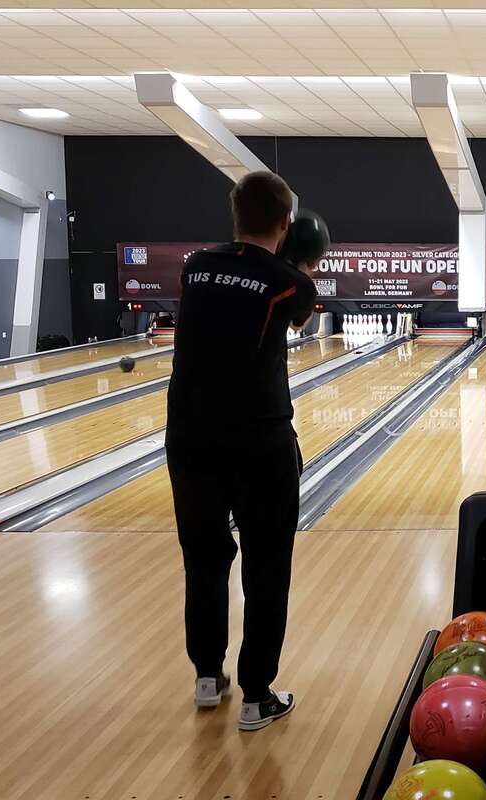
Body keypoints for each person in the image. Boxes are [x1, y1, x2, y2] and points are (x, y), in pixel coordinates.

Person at [166, 170, 318, 732]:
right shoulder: (288, 282)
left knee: (203, 561)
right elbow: (299, 306)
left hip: (189, 440)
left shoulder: (195, 267)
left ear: (234, 215)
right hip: (259, 442)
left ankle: (208, 678)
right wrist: (303, 261)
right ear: (284, 223)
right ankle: (257, 697)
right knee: (266, 566)